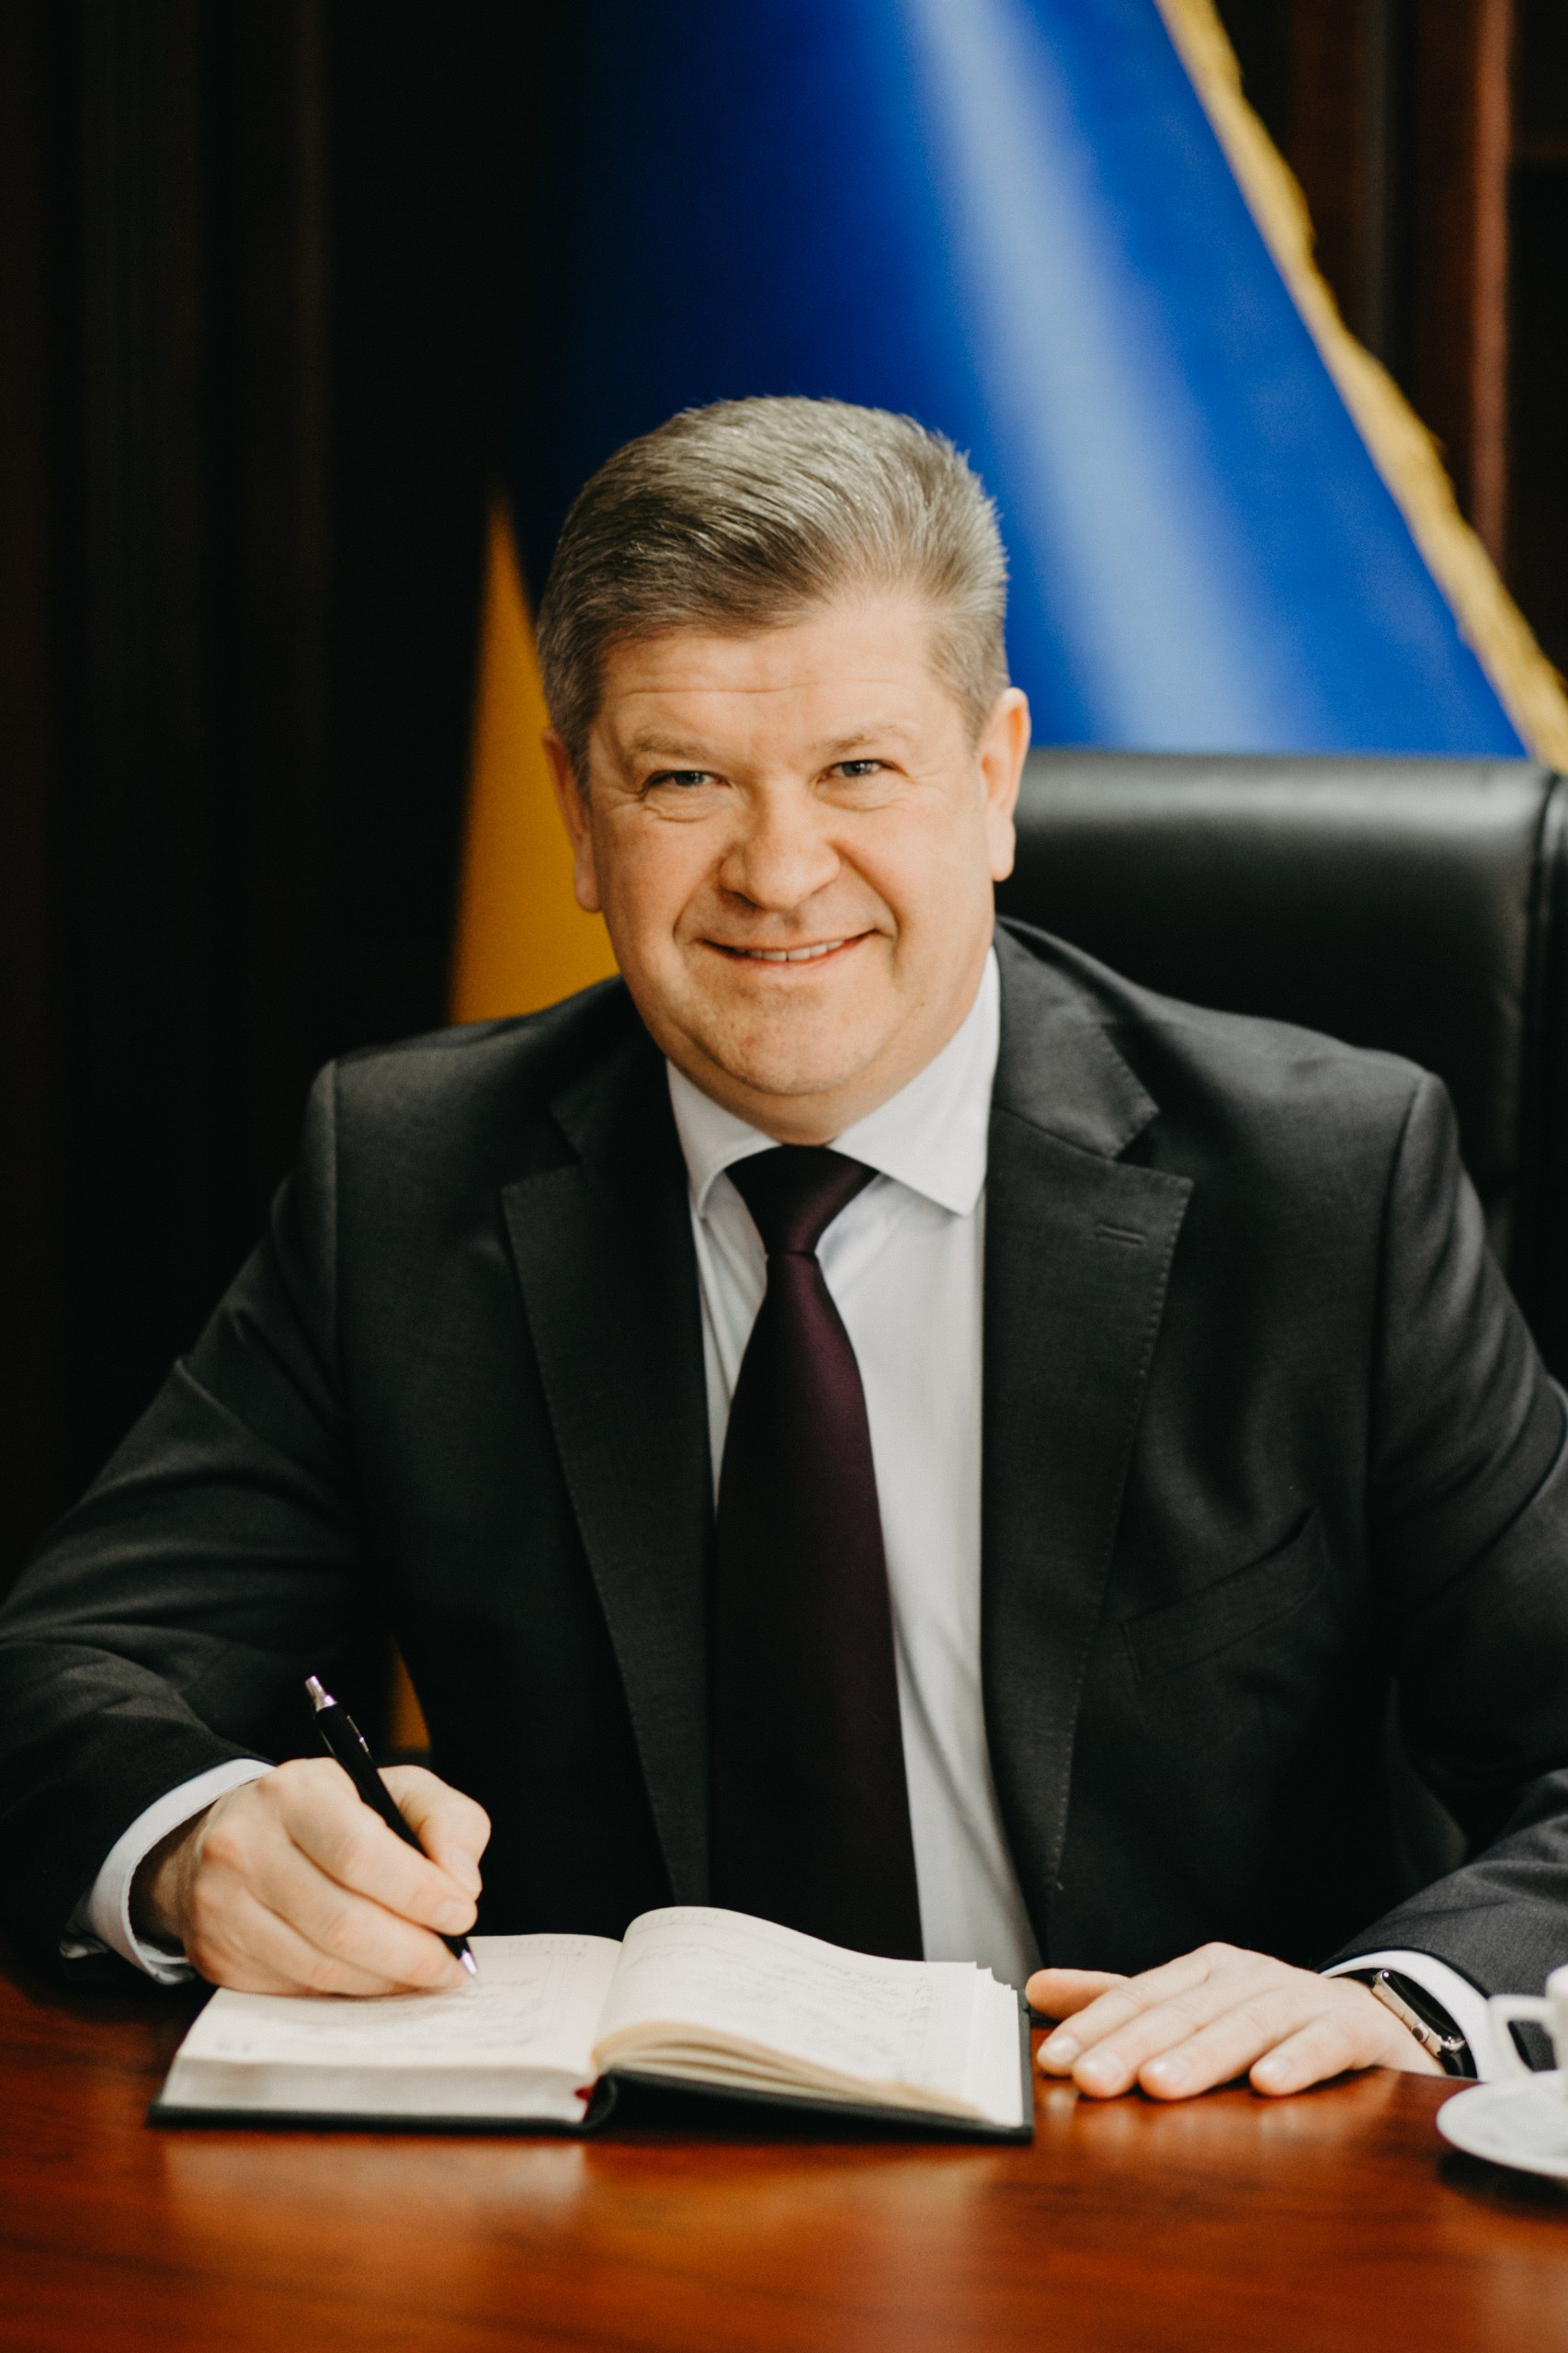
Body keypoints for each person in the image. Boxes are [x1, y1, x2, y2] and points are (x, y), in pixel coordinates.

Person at [4, 397, 1567, 2106]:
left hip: (1175, 2161)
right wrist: (196, 1841)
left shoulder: (1325, 1184)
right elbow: (66, 1670)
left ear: (992, 780)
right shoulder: (405, 1174)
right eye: (683, 780)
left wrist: (1400, 2004)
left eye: (857, 771)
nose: (776, 871)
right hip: (620, 2184)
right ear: (577, 814)